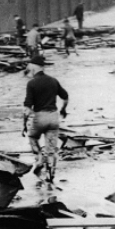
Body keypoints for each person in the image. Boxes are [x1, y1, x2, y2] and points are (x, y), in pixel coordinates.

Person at [22, 55, 68, 184]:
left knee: (32, 137)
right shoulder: (53, 80)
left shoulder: (31, 83)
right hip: (54, 117)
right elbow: (65, 97)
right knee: (52, 149)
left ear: (33, 66)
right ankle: (51, 175)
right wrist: (64, 110)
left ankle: (39, 159)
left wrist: (25, 123)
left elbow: (27, 107)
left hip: (40, 117)